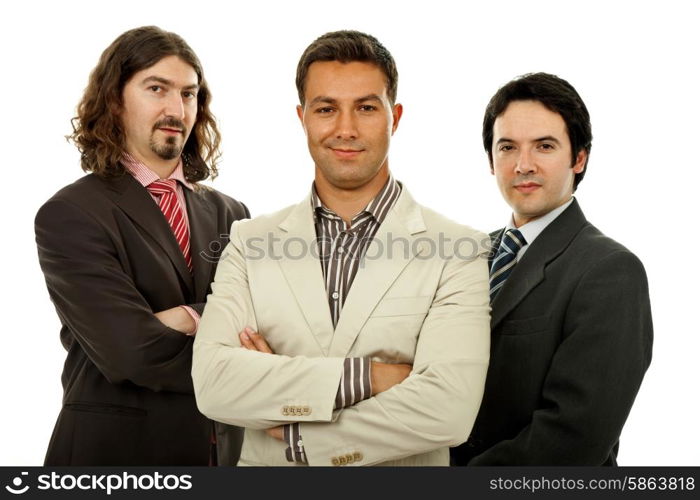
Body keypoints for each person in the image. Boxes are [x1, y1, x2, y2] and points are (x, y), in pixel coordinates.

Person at [192, 30, 490, 466]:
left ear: (396, 117)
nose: (346, 129)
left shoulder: (458, 249)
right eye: (327, 109)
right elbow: (215, 385)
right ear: (303, 118)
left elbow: (449, 411)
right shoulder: (250, 242)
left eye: (367, 108)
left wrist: (296, 431)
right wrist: (371, 376)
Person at [35, 26, 248, 465]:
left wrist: (180, 319)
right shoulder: (71, 214)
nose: (176, 109)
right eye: (157, 89)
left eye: (188, 95)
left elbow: (268, 330)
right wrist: (216, 324)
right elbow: (130, 352)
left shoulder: (233, 215)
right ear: (115, 100)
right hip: (116, 458)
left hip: (221, 455)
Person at [451, 72, 653, 466]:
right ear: (491, 161)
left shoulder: (610, 271)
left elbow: (574, 439)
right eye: (507, 147)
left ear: (579, 158)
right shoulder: (466, 257)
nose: (523, 165)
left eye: (544, 146)